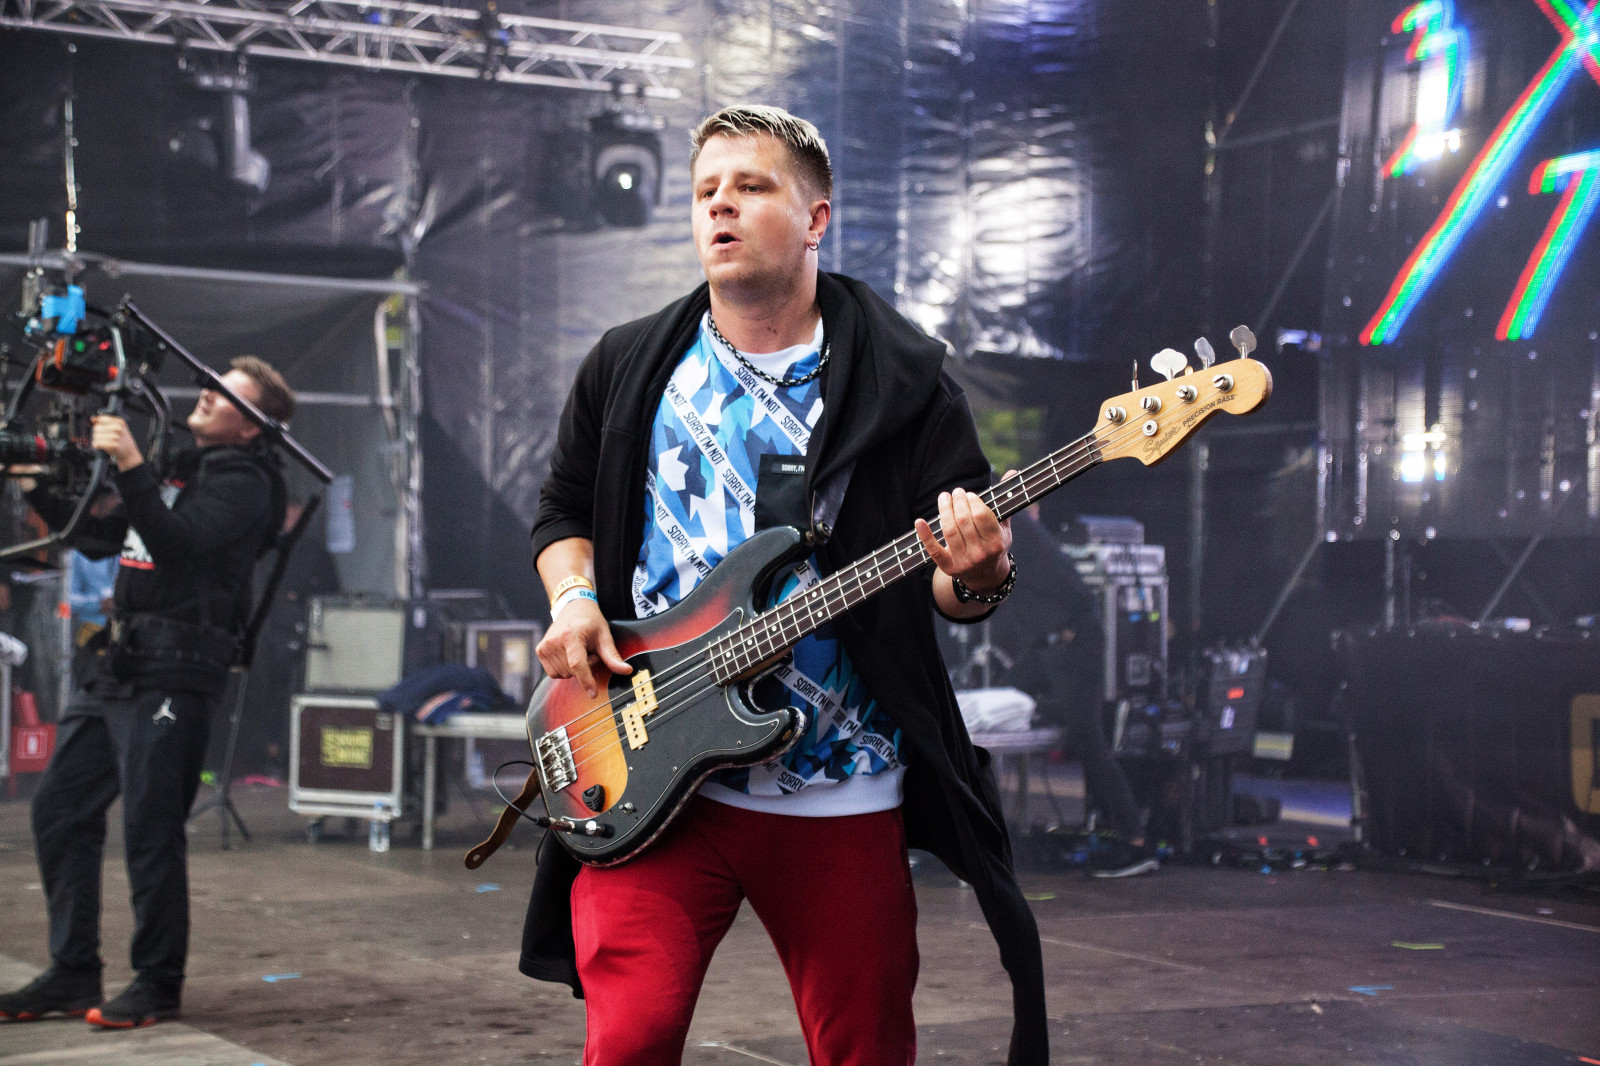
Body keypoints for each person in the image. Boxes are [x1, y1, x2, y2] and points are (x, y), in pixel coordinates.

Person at [525, 106, 1047, 1065]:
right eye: (705, 191)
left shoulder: (905, 383)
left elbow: (953, 593)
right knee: (628, 1041)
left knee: (867, 1050)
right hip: (653, 769)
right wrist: (574, 599)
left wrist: (983, 573)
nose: (719, 205)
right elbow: (562, 509)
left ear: (816, 219)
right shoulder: (631, 362)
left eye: (751, 186)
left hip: (839, 784)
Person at [0, 357, 291, 1029]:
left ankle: (157, 983)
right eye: (210, 385)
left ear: (252, 427)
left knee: (150, 828)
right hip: (121, 662)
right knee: (60, 809)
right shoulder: (184, 467)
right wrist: (32, 481)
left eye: (226, 395)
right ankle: (72, 970)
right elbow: (97, 538)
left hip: (175, 671)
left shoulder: (249, 482)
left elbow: (176, 543)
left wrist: (132, 463)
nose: (207, 395)